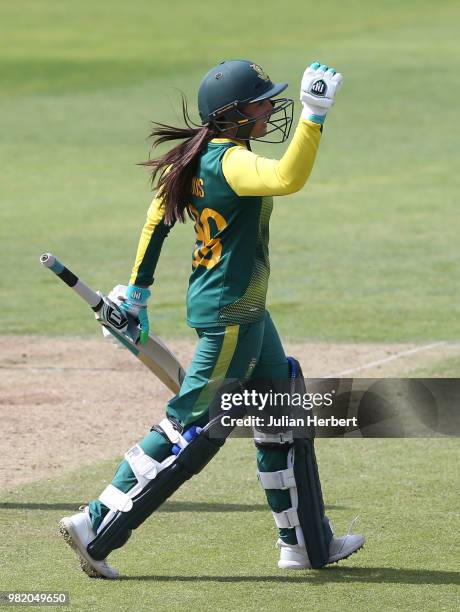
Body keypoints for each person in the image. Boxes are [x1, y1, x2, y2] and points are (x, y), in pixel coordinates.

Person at [59, 60, 365, 578]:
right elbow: (288, 178)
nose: (271, 106)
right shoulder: (230, 163)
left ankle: (307, 545)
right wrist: (314, 115)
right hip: (232, 316)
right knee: (193, 426)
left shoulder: (198, 157)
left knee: (280, 405)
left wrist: (136, 292)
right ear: (235, 116)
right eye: (262, 100)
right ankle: (96, 526)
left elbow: (157, 219)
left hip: (242, 310)